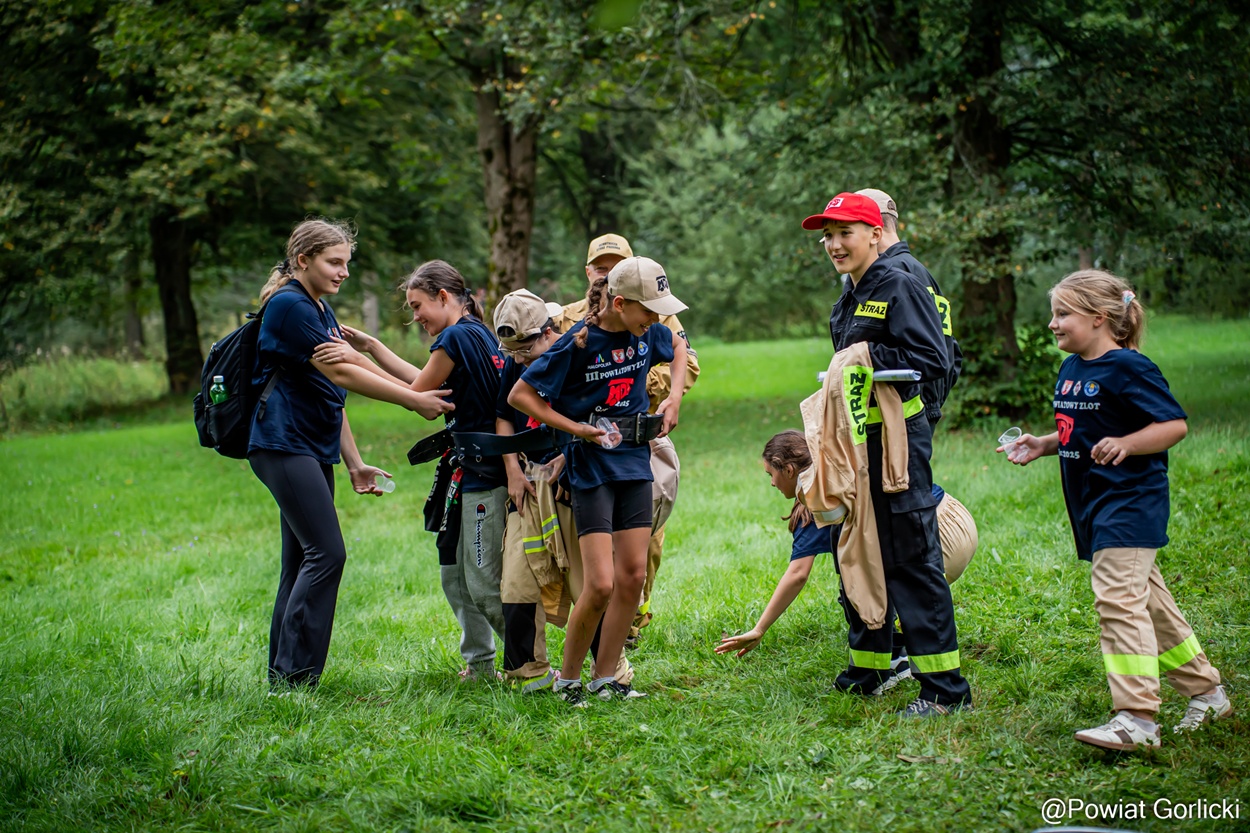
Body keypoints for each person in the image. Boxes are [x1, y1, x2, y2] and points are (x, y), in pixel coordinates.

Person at [1000, 269, 1230, 750]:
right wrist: (1044, 444)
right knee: (1149, 604)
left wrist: (1128, 443)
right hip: (1093, 504)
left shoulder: (1130, 367)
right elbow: (1083, 428)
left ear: (1099, 318)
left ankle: (1137, 718)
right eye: (1053, 314)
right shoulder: (1072, 368)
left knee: (1118, 601)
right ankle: (1207, 693)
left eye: (1062, 314)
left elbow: (1173, 425)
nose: (1052, 324)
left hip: (1130, 503)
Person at [249, 219, 452, 691]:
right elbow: (343, 374)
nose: (343, 272)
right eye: (334, 262)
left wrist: (355, 462)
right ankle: (295, 678)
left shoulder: (318, 309)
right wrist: (412, 400)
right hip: (282, 442)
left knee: (302, 559)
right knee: (327, 553)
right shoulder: (290, 307)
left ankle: (284, 678)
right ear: (303, 260)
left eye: (346, 263)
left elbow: (331, 392)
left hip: (307, 444)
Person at [804, 192, 972, 717]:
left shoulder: (900, 281)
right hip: (857, 438)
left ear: (876, 233)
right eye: (828, 236)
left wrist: (866, 355)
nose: (834, 244)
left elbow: (933, 357)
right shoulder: (853, 290)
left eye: (845, 233)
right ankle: (871, 668)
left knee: (908, 555)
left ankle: (945, 691)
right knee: (857, 545)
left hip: (897, 440)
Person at [312, 261, 508, 682]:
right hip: (465, 471)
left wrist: (353, 360)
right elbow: (424, 383)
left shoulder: (456, 337)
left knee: (482, 583)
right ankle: (480, 664)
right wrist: (372, 347)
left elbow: (415, 396)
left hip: (485, 475)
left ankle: (533, 662)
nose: (415, 316)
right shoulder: (474, 332)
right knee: (453, 573)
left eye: (418, 305)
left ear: (443, 296)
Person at [509, 256, 689, 705]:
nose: (656, 319)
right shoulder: (578, 342)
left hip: (635, 462)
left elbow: (679, 348)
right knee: (601, 584)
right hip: (591, 469)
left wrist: (674, 400)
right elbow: (521, 395)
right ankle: (570, 681)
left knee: (632, 577)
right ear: (620, 303)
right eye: (649, 310)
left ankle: (606, 678)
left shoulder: (647, 332)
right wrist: (576, 429)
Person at [716, 432, 978, 693]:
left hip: (935, 540)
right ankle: (892, 655)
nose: (772, 483)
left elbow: (798, 574)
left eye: (770, 474)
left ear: (789, 470)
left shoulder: (819, 497)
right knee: (863, 562)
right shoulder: (837, 462)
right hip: (955, 517)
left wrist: (759, 629)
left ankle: (892, 659)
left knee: (857, 585)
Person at [555, 234, 702, 649]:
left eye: (615, 264)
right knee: (589, 543)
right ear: (588, 271)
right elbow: (549, 380)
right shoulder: (569, 319)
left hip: (644, 436)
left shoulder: (654, 308)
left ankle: (632, 619)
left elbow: (686, 361)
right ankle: (593, 632)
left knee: (644, 538)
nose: (606, 272)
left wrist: (639, 387)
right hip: (585, 446)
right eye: (600, 266)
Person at [853, 189, 961, 426]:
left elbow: (929, 352)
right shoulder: (919, 270)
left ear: (872, 229)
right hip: (926, 401)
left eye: (848, 231)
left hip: (904, 410)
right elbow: (952, 349)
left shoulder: (893, 277)